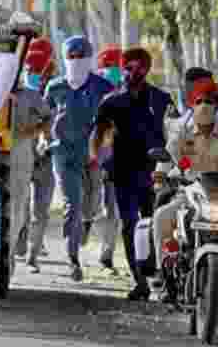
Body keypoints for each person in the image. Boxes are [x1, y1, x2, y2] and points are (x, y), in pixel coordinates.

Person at [152, 79, 218, 309]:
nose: (204, 105)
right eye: (199, 101)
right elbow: (168, 158)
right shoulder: (181, 134)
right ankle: (165, 274)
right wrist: (161, 174)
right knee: (162, 216)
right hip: (188, 195)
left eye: (210, 101)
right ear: (191, 104)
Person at [90, 47, 174, 300]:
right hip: (123, 172)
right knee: (130, 225)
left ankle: (163, 280)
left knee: (157, 225)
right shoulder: (111, 101)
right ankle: (140, 282)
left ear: (147, 69)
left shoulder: (161, 99)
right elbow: (99, 135)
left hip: (156, 173)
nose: (132, 72)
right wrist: (99, 160)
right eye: (127, 67)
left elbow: (177, 132)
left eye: (138, 67)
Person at [44, 35, 114, 282]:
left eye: (81, 56)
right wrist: (44, 139)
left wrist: (102, 149)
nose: (76, 60)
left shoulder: (103, 87)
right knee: (71, 205)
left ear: (89, 58)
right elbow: (45, 116)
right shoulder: (55, 87)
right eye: (71, 56)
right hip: (63, 153)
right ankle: (72, 258)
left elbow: (111, 123)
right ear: (64, 58)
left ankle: (87, 221)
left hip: (93, 153)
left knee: (93, 203)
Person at [6, 45, 53, 277]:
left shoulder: (31, 96)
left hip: (20, 149)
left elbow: (48, 118)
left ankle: (11, 255)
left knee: (19, 205)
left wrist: (35, 133)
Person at [19, 41, 59, 272]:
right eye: (29, 70)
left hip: (46, 159)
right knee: (22, 208)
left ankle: (32, 256)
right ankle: (21, 245)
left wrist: (47, 139)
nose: (33, 74)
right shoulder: (19, 93)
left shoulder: (57, 91)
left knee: (40, 211)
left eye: (37, 70)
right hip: (22, 158)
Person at [83, 45, 124, 271]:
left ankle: (106, 253)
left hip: (119, 160)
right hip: (96, 155)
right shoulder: (92, 89)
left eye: (117, 66)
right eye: (109, 66)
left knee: (114, 207)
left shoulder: (129, 91)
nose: (114, 70)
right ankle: (86, 223)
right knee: (93, 200)